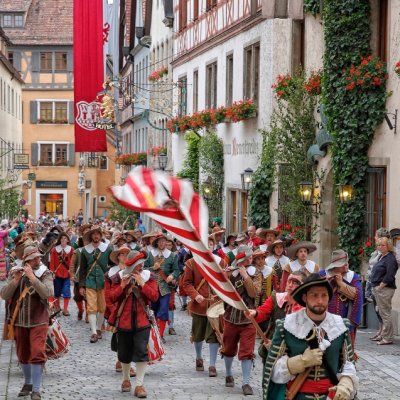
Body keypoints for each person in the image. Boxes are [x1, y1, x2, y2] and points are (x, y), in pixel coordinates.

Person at [263, 273, 358, 400]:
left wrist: (345, 384)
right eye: (314, 295)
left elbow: (348, 364)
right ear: (304, 297)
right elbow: (273, 372)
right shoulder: (286, 325)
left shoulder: (341, 325)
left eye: (324, 295)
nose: (320, 301)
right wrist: (301, 361)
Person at [0, 245, 54, 400]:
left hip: (39, 320)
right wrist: (16, 281)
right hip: (19, 321)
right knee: (22, 353)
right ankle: (28, 382)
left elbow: (48, 293)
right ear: (27, 260)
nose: (38, 259)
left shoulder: (45, 273)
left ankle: (36, 390)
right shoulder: (15, 273)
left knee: (37, 352)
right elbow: (4, 295)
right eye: (35, 258)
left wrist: (32, 278)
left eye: (38, 257)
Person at [108, 250, 159, 398]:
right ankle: (125, 379)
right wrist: (122, 286)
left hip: (142, 320)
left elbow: (154, 297)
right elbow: (111, 298)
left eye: (142, 263)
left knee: (141, 351)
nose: (141, 266)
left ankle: (139, 384)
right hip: (123, 320)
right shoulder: (118, 277)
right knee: (124, 353)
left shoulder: (149, 277)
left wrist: (143, 284)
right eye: (138, 264)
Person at [221, 245, 262, 396]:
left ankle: (246, 383)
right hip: (231, 316)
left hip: (248, 318)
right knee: (228, 348)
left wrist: (245, 276)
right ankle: (228, 374)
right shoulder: (231, 272)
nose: (251, 260)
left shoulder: (255, 273)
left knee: (247, 351)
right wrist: (224, 278)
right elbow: (221, 293)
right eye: (249, 257)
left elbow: (254, 293)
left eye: (251, 257)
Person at [182, 236, 226, 377]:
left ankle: (212, 365)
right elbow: (186, 283)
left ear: (214, 246)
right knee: (198, 335)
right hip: (199, 305)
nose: (208, 247)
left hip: (216, 305)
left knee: (214, 335)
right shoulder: (191, 263)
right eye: (205, 244)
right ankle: (199, 357)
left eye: (211, 244)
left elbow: (226, 282)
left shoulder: (221, 263)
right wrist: (195, 295)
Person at [245, 271, 305, 362]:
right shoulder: (277, 298)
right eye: (289, 281)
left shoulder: (306, 305)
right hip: (272, 345)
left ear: (303, 286)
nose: (290, 285)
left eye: (295, 282)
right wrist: (255, 313)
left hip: (294, 351)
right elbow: (263, 312)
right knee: (268, 375)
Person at [104, 246, 136, 378]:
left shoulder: (134, 271)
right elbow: (108, 295)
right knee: (119, 336)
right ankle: (120, 360)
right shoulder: (111, 273)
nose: (124, 256)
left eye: (126, 254)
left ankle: (128, 363)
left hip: (130, 309)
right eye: (122, 254)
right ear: (117, 257)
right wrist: (114, 310)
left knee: (132, 337)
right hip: (115, 309)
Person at [321, 250, 363, 346]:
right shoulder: (323, 274)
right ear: (335, 266)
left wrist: (341, 284)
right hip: (325, 319)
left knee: (345, 349)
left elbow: (357, 295)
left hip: (345, 319)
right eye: (342, 264)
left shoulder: (353, 276)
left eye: (346, 263)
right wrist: (325, 282)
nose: (346, 265)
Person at [79, 225, 113, 343]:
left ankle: (99, 328)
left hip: (103, 282)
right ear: (91, 236)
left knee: (102, 307)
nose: (96, 236)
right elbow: (82, 269)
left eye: (97, 233)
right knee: (91, 307)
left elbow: (112, 265)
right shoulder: (85, 250)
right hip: (90, 281)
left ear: (100, 235)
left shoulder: (107, 249)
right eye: (93, 234)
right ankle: (93, 332)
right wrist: (81, 285)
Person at [144, 233, 180, 342]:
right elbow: (144, 269)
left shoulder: (172, 256)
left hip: (165, 288)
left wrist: (171, 276)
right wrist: (152, 268)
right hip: (153, 287)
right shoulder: (150, 254)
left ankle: (160, 335)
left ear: (167, 243)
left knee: (163, 310)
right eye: (159, 241)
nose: (162, 243)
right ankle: (153, 333)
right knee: (153, 311)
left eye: (164, 241)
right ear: (156, 243)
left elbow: (177, 270)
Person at [370, 236, 398, 345]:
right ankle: (384, 335)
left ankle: (388, 338)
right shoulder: (382, 257)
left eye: (383, 245)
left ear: (388, 246)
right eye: (378, 245)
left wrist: (380, 286)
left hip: (385, 289)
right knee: (382, 313)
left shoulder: (390, 258)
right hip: (380, 289)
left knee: (385, 314)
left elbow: (390, 275)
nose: (380, 247)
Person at [49, 232, 73, 316]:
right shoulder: (54, 250)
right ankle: (58, 307)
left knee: (66, 291)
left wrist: (72, 272)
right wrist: (52, 272)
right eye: (62, 238)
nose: (63, 240)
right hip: (57, 273)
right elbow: (52, 262)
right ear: (60, 240)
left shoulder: (71, 249)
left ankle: (65, 309)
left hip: (67, 273)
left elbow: (72, 262)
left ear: (67, 240)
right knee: (57, 292)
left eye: (65, 238)